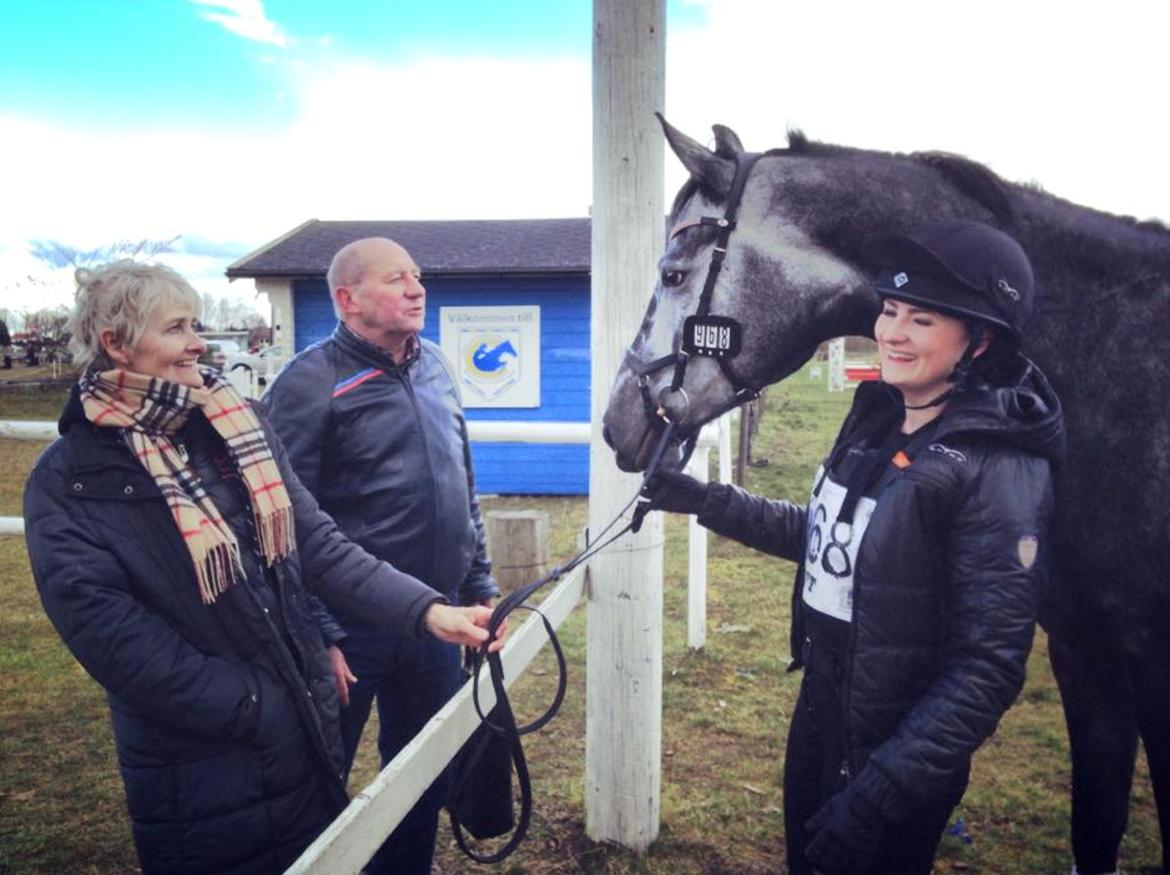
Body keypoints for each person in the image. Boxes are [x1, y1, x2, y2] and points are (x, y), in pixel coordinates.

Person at [23, 260, 502, 875]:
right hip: (198, 757)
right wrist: (259, 706)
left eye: (195, 324)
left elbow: (320, 547)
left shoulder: (233, 430)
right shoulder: (69, 480)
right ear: (116, 344)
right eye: (177, 328)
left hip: (297, 727)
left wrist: (430, 612)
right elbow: (111, 637)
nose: (198, 342)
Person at [647, 220, 1064, 875]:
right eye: (890, 310)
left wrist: (877, 794)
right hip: (824, 707)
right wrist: (703, 498)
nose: (892, 332)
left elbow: (988, 666)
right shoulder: (879, 416)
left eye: (921, 320)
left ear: (981, 341)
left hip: (896, 752)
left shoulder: (998, 466)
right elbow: (831, 538)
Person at [262, 236, 499, 875]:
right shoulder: (309, 382)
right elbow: (281, 522)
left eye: (417, 277)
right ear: (348, 299)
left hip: (436, 621)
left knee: (419, 776)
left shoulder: (438, 367)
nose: (417, 288)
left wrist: (479, 583)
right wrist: (321, 634)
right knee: (315, 784)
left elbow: (462, 483)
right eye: (397, 279)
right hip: (350, 632)